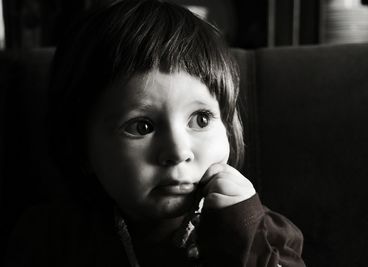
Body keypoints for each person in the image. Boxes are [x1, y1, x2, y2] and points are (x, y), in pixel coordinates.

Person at [5, 0, 305, 266]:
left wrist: (245, 239)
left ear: (229, 128)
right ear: (82, 148)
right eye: (141, 127)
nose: (177, 151)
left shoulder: (264, 234)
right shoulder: (50, 237)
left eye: (200, 119)